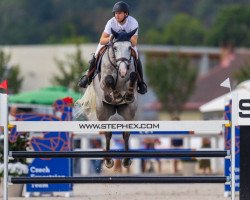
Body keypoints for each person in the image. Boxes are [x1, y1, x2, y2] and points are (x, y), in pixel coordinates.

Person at [78, 1, 147, 94]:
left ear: (126, 14)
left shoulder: (133, 22)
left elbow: (134, 42)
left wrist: (125, 37)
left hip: (126, 44)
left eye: (119, 13)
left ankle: (141, 82)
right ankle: (88, 77)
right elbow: (102, 40)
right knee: (97, 53)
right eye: (115, 13)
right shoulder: (111, 22)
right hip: (112, 42)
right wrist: (110, 37)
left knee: (137, 57)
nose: (117, 15)